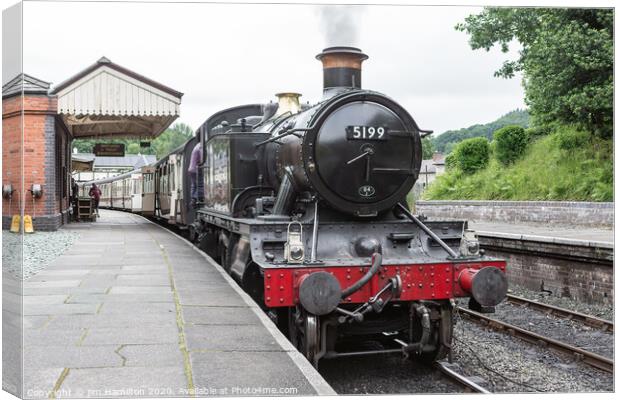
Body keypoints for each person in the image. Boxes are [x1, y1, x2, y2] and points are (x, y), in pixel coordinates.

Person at [188, 142, 203, 208]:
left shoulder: (196, 146)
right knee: (200, 185)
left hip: (191, 169)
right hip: (196, 169)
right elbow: (202, 159)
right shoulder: (200, 147)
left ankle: (192, 199)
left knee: (194, 185)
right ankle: (195, 199)